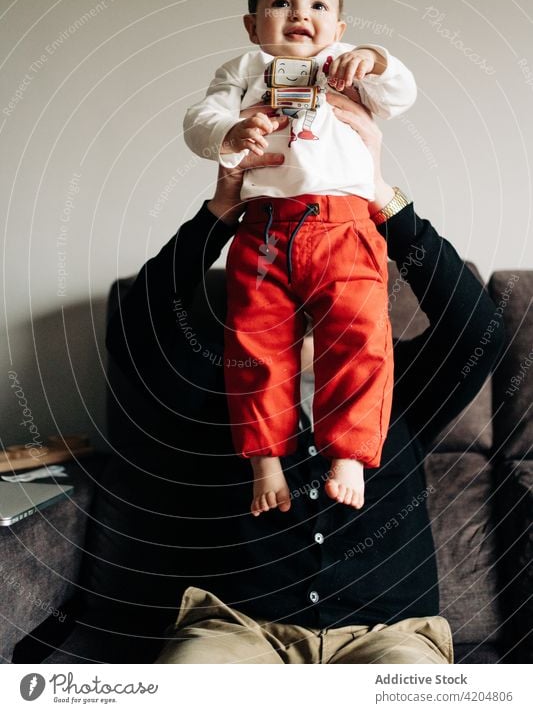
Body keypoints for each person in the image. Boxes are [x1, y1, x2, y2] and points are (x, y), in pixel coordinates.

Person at [106, 93, 504, 664]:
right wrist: (222, 212)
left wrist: (378, 197)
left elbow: (480, 331)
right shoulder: (218, 382)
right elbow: (133, 332)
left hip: (388, 635)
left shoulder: (402, 388)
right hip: (240, 630)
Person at [184, 0, 417, 516]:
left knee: (361, 340)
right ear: (252, 23)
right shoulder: (242, 70)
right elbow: (198, 122)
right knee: (254, 345)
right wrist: (232, 130)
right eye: (281, 2)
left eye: (318, 5)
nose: (299, 14)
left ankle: (350, 455)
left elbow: (401, 94)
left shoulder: (347, 63)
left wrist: (376, 59)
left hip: (345, 224)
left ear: (337, 25)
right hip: (263, 227)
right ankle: (265, 460)